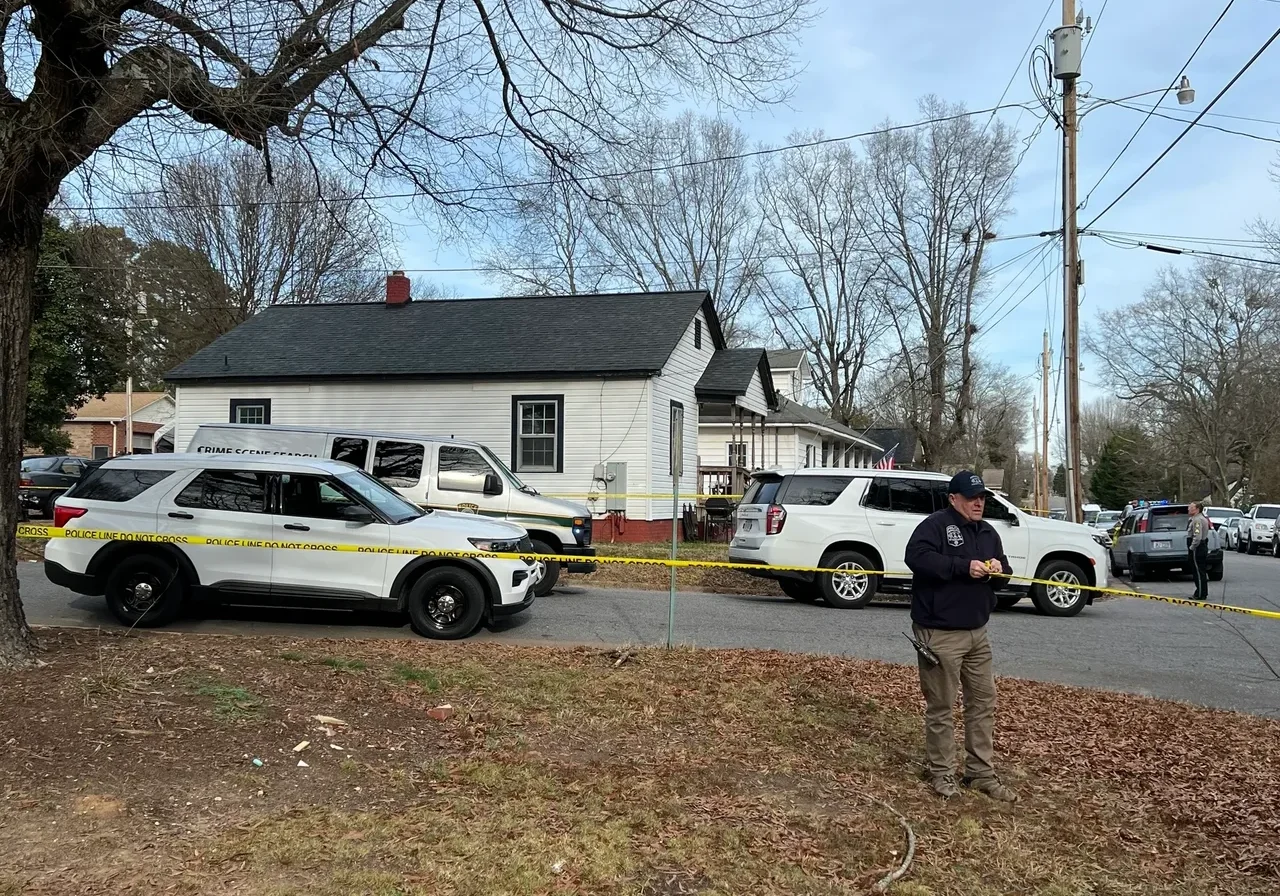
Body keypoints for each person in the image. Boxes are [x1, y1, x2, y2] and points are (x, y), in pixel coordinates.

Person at [904, 470, 1018, 803]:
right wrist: (962, 566)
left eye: (982, 497)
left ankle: (980, 773)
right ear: (954, 499)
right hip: (939, 631)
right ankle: (942, 774)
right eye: (971, 497)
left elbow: (1006, 574)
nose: (978, 503)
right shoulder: (935, 526)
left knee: (982, 704)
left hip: (977, 633)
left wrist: (1000, 572)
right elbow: (917, 558)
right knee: (941, 706)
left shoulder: (988, 532)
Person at [1187, 501, 1210, 601]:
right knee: (1199, 570)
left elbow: (1197, 536)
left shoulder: (1197, 520)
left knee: (1198, 571)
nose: (1188, 509)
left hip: (1198, 548)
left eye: (1190, 507)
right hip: (1199, 547)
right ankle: (1200, 592)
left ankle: (1200, 593)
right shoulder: (1197, 519)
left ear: (1196, 509)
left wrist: (1192, 547)